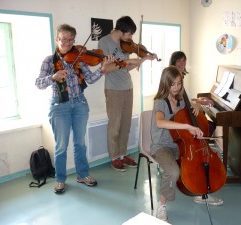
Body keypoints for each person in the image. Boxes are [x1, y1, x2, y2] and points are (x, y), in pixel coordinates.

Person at [35, 24, 115, 194]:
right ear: (57, 39)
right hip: (59, 106)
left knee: (80, 143)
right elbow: (38, 83)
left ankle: (82, 175)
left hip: (79, 104)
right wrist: (53, 77)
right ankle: (60, 179)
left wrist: (102, 69)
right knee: (61, 146)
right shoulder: (49, 61)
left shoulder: (79, 58)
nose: (68, 42)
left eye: (71, 39)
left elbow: (91, 79)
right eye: (64, 39)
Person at [98, 16, 157, 172]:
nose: (131, 38)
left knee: (126, 124)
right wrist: (128, 61)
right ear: (120, 31)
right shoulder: (105, 43)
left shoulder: (125, 45)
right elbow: (106, 69)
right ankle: (114, 157)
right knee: (114, 125)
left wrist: (142, 59)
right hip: (113, 89)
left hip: (128, 88)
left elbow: (126, 68)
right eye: (129, 34)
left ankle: (123, 155)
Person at [169, 51, 224, 206]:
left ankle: (202, 190)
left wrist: (195, 102)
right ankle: (199, 189)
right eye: (179, 61)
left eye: (184, 61)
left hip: (182, 121)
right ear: (173, 63)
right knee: (200, 131)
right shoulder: (171, 81)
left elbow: (183, 99)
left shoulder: (181, 80)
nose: (182, 64)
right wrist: (192, 105)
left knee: (206, 126)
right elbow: (174, 104)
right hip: (174, 126)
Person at [151, 66, 204, 222]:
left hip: (180, 144)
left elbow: (191, 114)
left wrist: (197, 106)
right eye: (172, 84)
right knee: (173, 172)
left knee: (198, 161)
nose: (176, 88)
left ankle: (200, 193)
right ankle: (161, 206)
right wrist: (187, 127)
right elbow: (160, 122)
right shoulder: (160, 102)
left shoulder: (181, 101)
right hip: (162, 146)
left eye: (179, 83)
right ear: (165, 83)